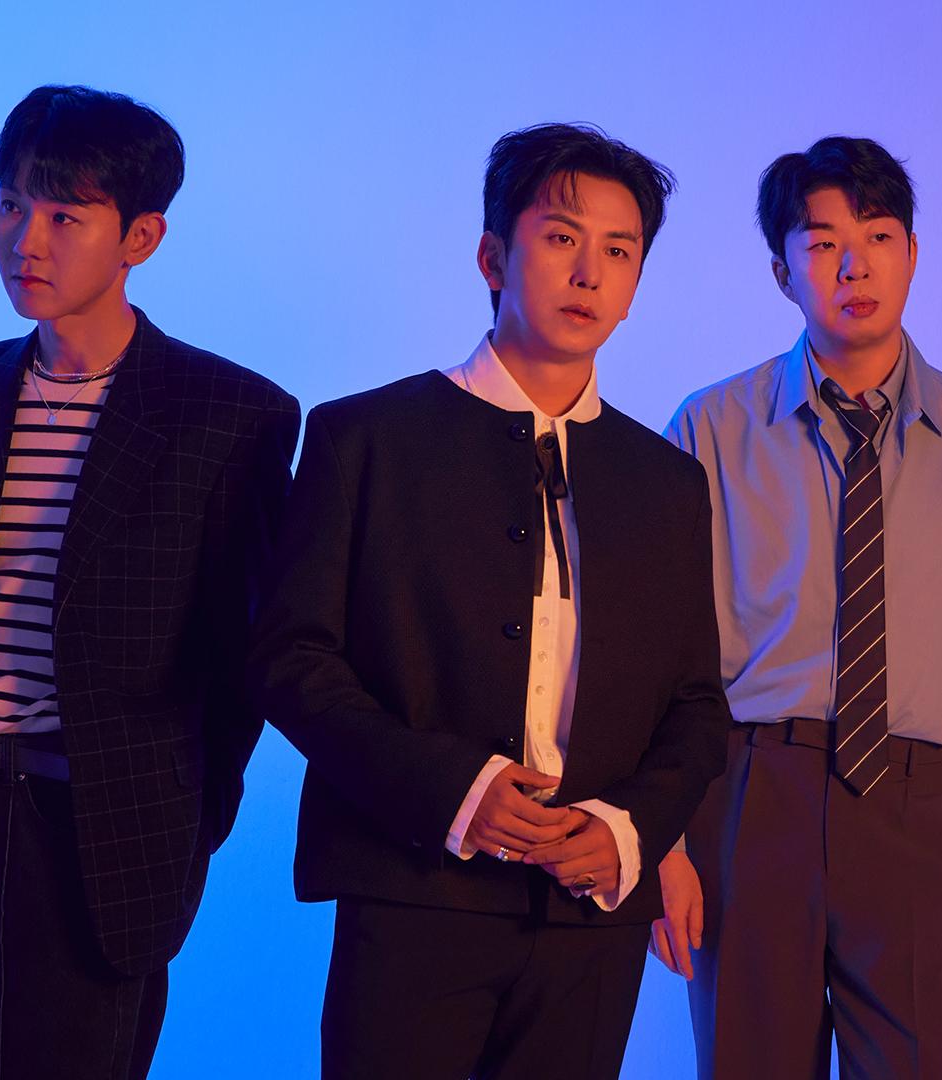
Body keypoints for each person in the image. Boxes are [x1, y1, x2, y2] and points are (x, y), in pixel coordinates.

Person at [0, 84, 300, 1079]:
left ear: (141, 237)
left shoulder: (231, 415)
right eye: (10, 203)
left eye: (63, 216)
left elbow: (239, 664)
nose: (24, 240)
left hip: (87, 844)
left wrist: (176, 838)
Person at [248, 122, 729, 1080]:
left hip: (590, 917)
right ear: (491, 257)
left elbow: (696, 704)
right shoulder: (365, 439)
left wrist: (628, 832)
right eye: (561, 238)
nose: (588, 273)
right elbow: (290, 659)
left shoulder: (667, 480)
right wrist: (456, 791)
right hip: (414, 888)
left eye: (619, 251)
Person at [655, 135, 942, 1079]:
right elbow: (660, 653)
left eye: (879, 237)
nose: (855, 266)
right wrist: (672, 832)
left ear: (912, 253)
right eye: (823, 243)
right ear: (781, 271)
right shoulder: (710, 430)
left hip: (919, 808)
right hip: (752, 798)